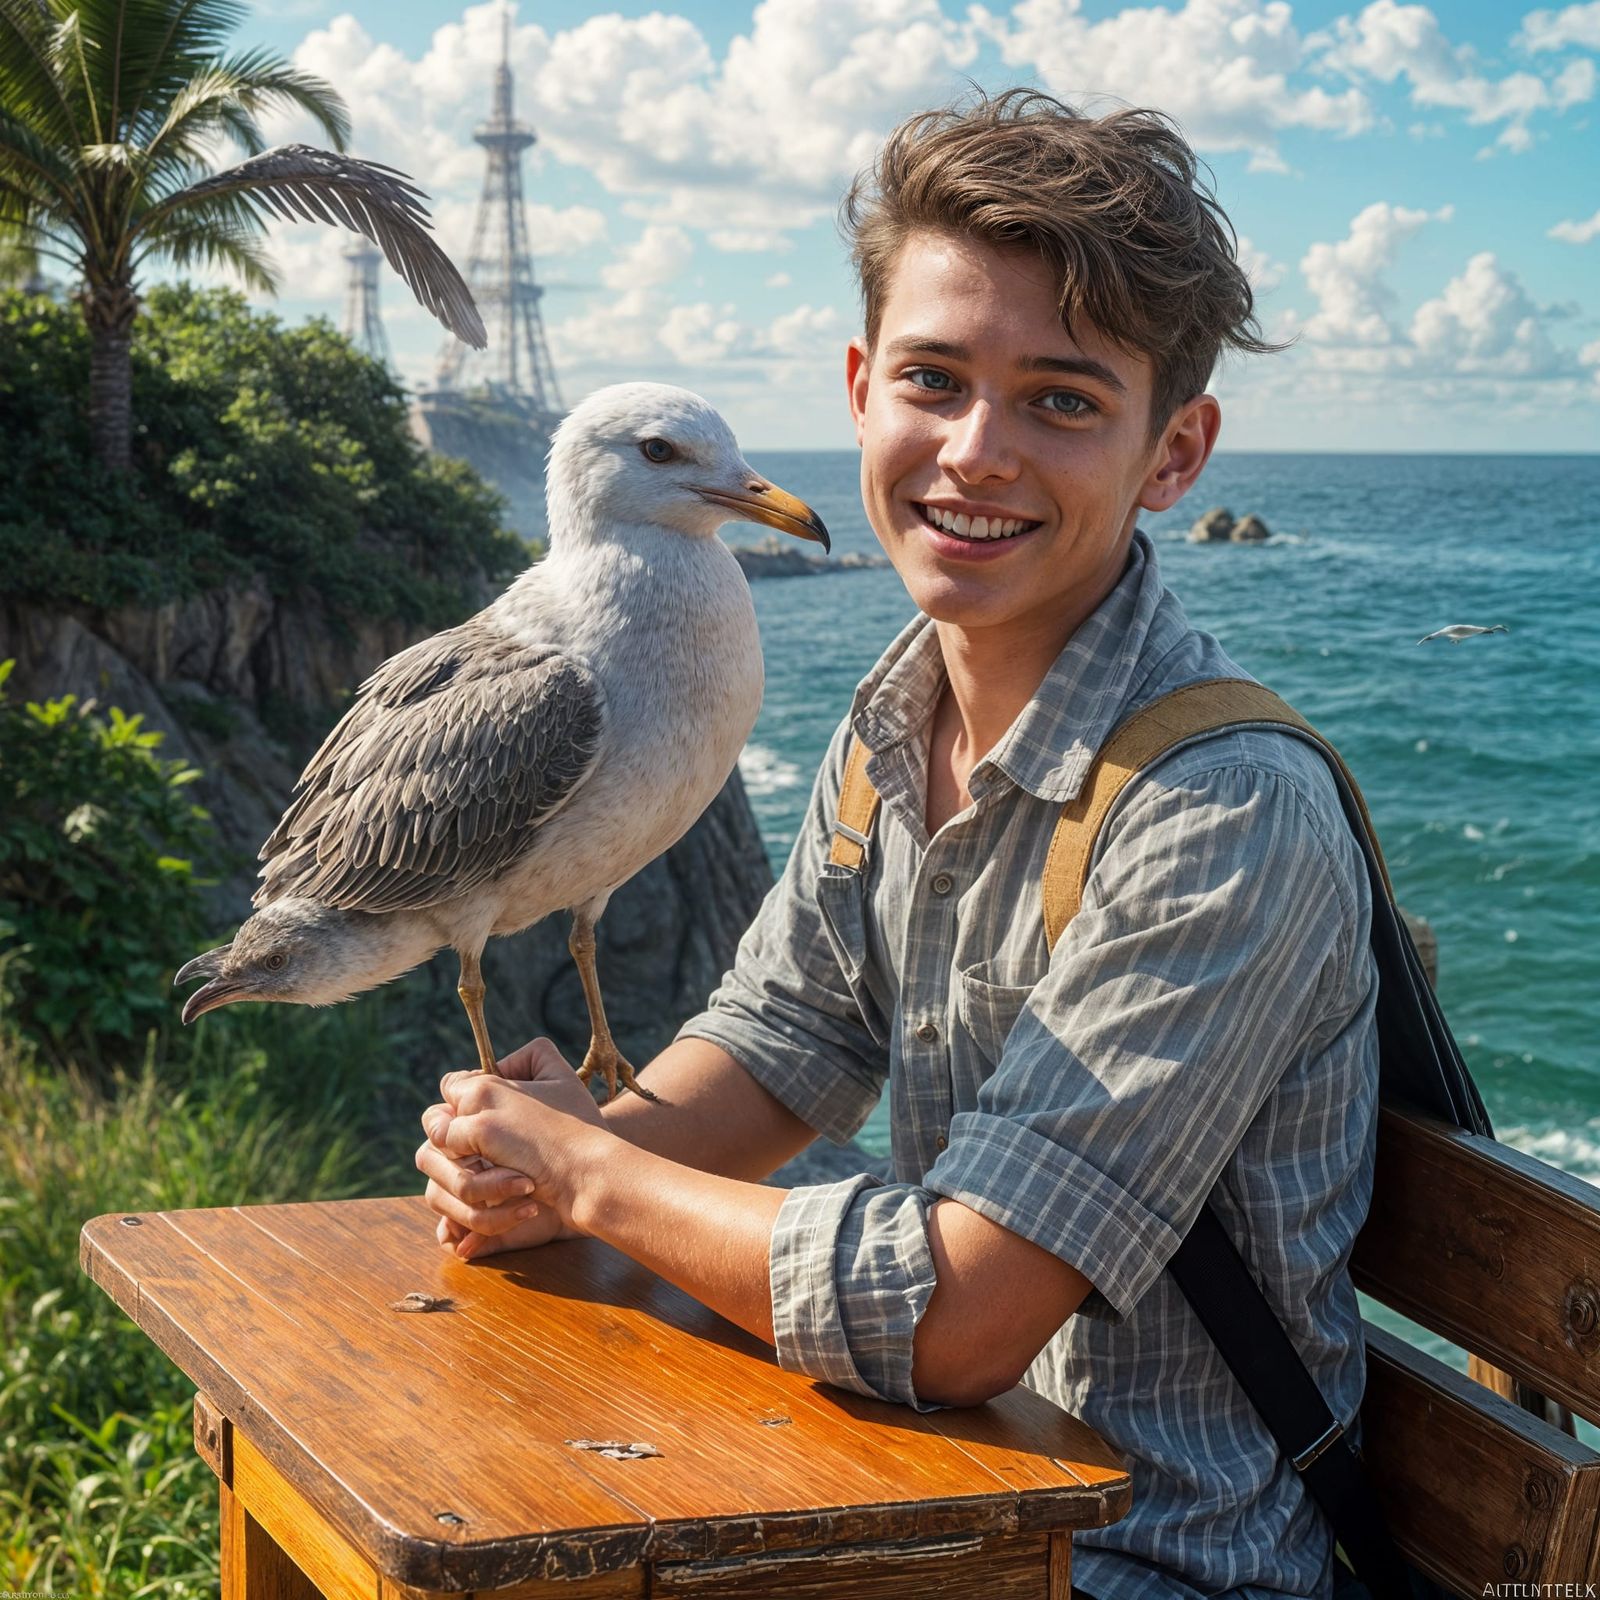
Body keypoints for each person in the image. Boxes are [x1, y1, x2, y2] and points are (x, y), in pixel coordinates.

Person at [415, 90, 1378, 1600]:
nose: (974, 452)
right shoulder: (895, 714)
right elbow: (789, 1030)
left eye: (1062, 401)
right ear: (863, 389)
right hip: (935, 1490)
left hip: (1144, 1557)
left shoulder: (1222, 812)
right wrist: (565, 1155)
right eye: (934, 379)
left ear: (1174, 452)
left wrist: (595, 1181)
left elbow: (963, 1320)